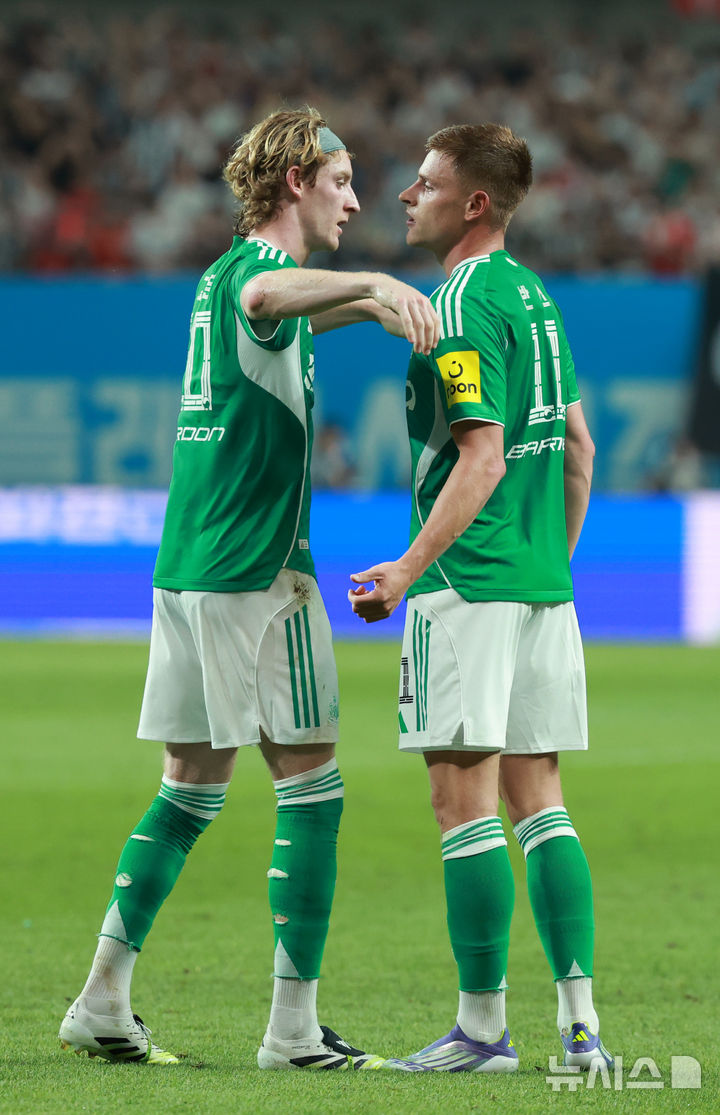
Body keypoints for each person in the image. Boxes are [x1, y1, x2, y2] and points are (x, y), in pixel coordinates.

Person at [59, 107, 438, 1071]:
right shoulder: (260, 276)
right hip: (259, 572)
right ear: (295, 182)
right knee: (313, 786)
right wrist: (376, 283)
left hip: (191, 564)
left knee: (189, 787)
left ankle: (101, 999)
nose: (355, 200)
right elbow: (275, 292)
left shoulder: (222, 280)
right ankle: (293, 1032)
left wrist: (375, 308)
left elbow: (288, 306)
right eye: (341, 181)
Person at [349, 123, 614, 1074]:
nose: (404, 195)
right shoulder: (534, 297)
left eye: (424, 184)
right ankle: (580, 1026)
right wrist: (550, 566)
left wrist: (408, 566)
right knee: (541, 804)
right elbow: (579, 450)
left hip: (466, 584)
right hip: (541, 586)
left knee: (463, 806)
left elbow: (483, 456)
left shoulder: (457, 303)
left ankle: (482, 1030)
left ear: (473, 203)